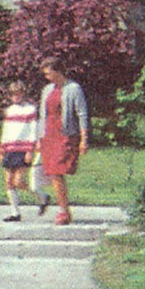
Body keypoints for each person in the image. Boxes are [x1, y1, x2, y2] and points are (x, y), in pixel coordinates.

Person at [38, 56, 89, 226]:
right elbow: (42, 115)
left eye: (48, 73)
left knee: (57, 171)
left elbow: (82, 114)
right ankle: (63, 209)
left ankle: (63, 210)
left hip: (65, 134)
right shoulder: (47, 90)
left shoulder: (74, 88)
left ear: (58, 71)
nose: (46, 77)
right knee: (53, 173)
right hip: (49, 135)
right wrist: (39, 137)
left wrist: (84, 139)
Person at [0, 81, 52, 221]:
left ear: (23, 94)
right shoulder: (9, 111)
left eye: (18, 94)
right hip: (10, 148)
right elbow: (6, 130)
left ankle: (42, 197)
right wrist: (2, 149)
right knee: (9, 181)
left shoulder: (30, 110)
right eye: (13, 94)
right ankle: (15, 213)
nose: (16, 96)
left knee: (18, 181)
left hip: (23, 148)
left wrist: (30, 150)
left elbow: (33, 130)